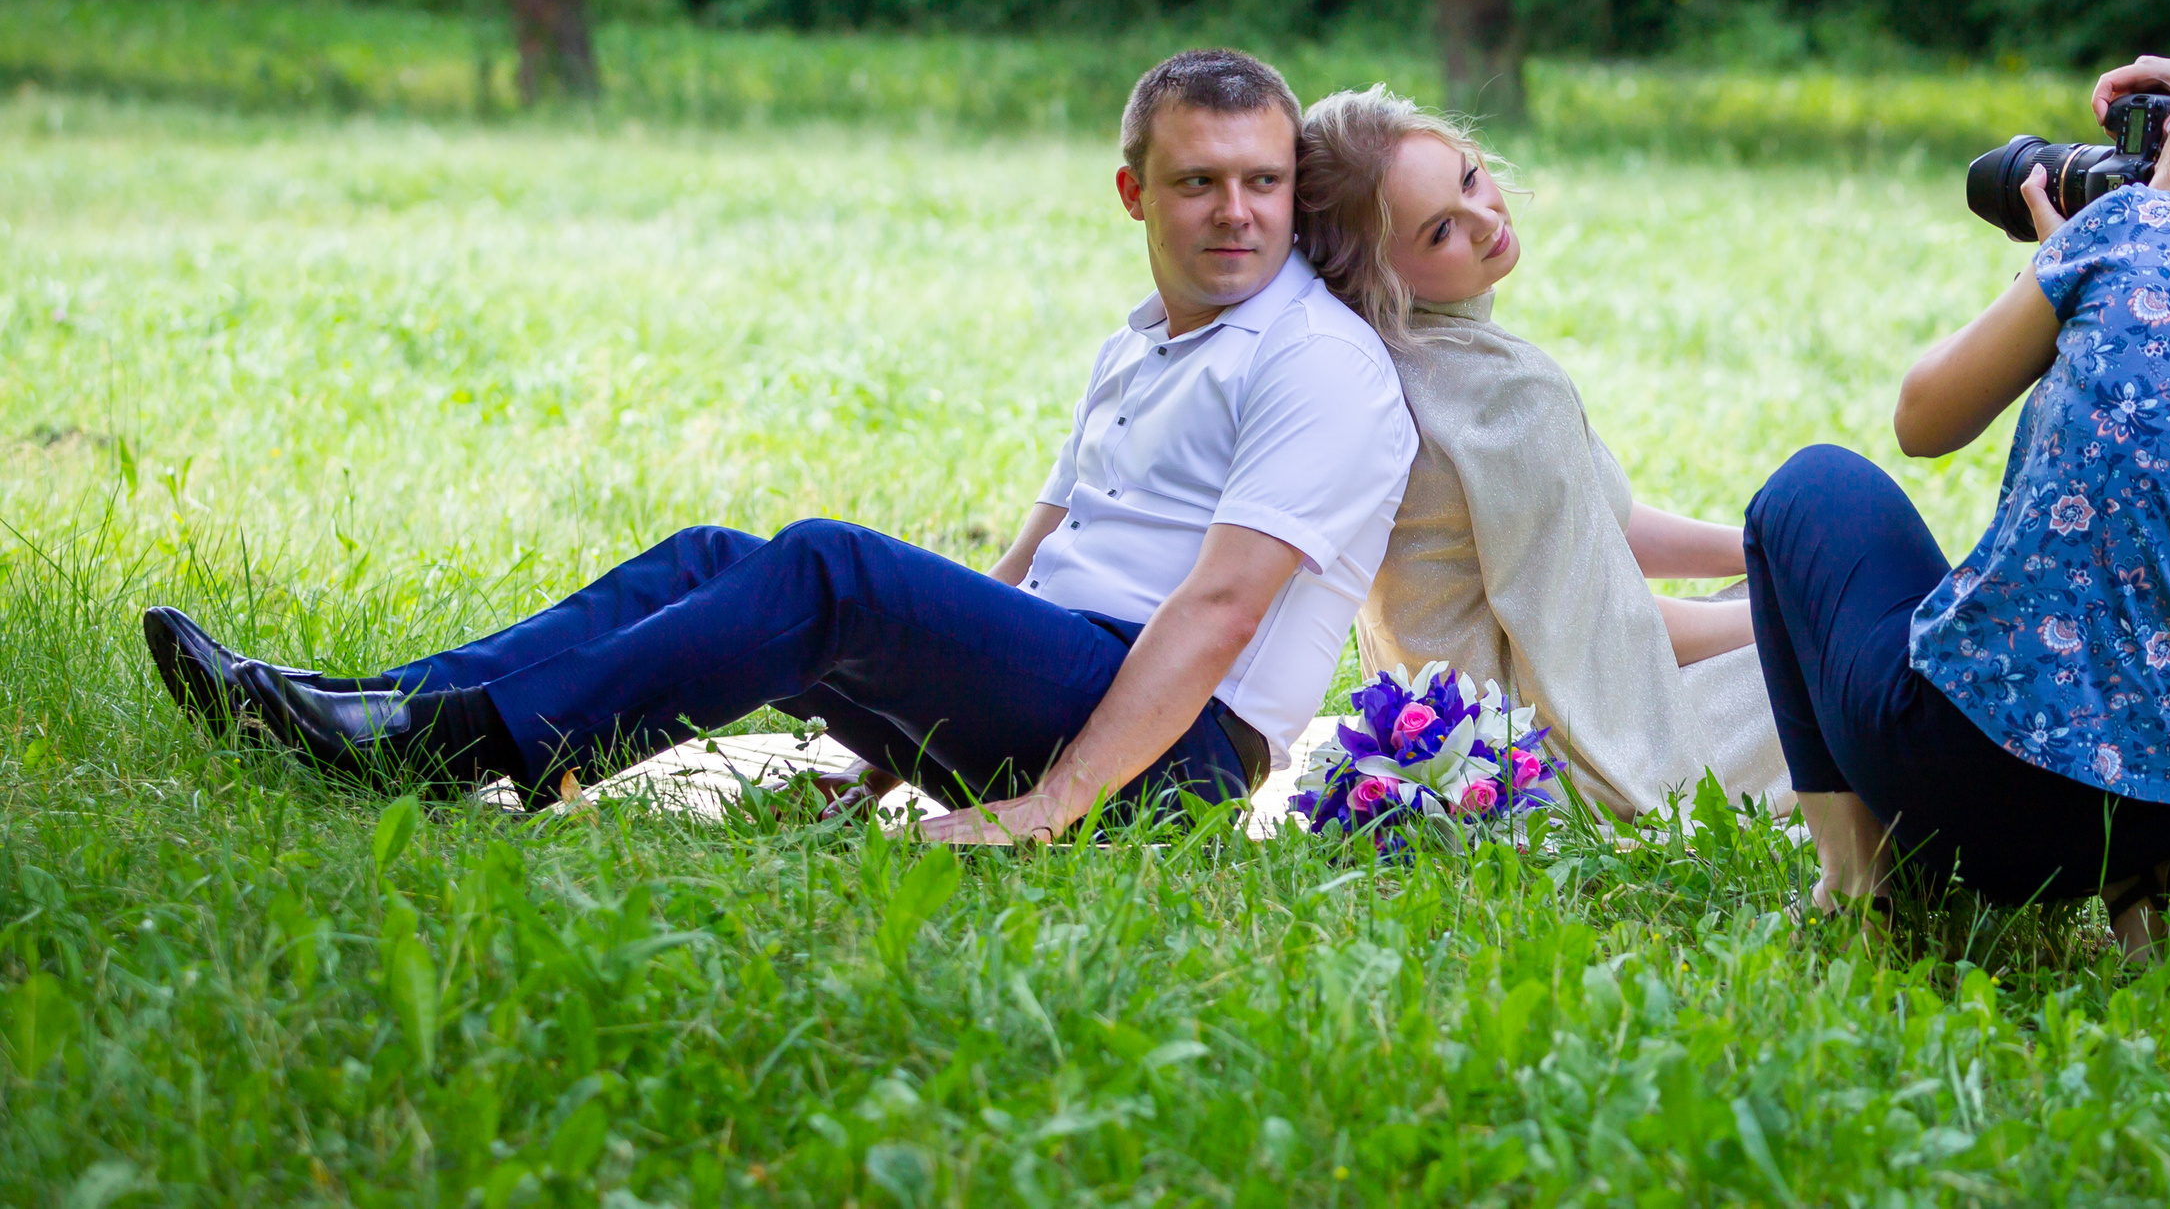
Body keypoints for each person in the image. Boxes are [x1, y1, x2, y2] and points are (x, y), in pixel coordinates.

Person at [143, 49, 1417, 844]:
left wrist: (1049, 808)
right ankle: (386, 705)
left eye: (1261, 182)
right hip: (1068, 687)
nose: (1236, 211)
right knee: (713, 555)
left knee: (829, 572)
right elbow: (1028, 570)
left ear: (1292, 194)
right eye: (1200, 181)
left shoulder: (1313, 363)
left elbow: (1217, 617)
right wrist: (879, 764)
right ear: (1136, 192)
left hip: (1168, 758)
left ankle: (444, 750)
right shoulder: (1142, 340)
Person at [1748, 40, 2170, 951]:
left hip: (1973, 791)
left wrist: (2061, 264)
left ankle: (1862, 888)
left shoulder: (2137, 229)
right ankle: (2153, 899)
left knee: (1811, 486)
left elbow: (1923, 421)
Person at [1293, 86, 1791, 824]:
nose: (1487, 217)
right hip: (1542, 758)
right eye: (1440, 232)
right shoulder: (1503, 396)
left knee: (1796, 606)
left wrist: (1768, 554)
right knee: (1851, 669)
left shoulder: (1398, 361)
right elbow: (1604, 640)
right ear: (1380, 274)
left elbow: (1599, 525)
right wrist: (1794, 615)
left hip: (1437, 735)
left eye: (1469, 179)